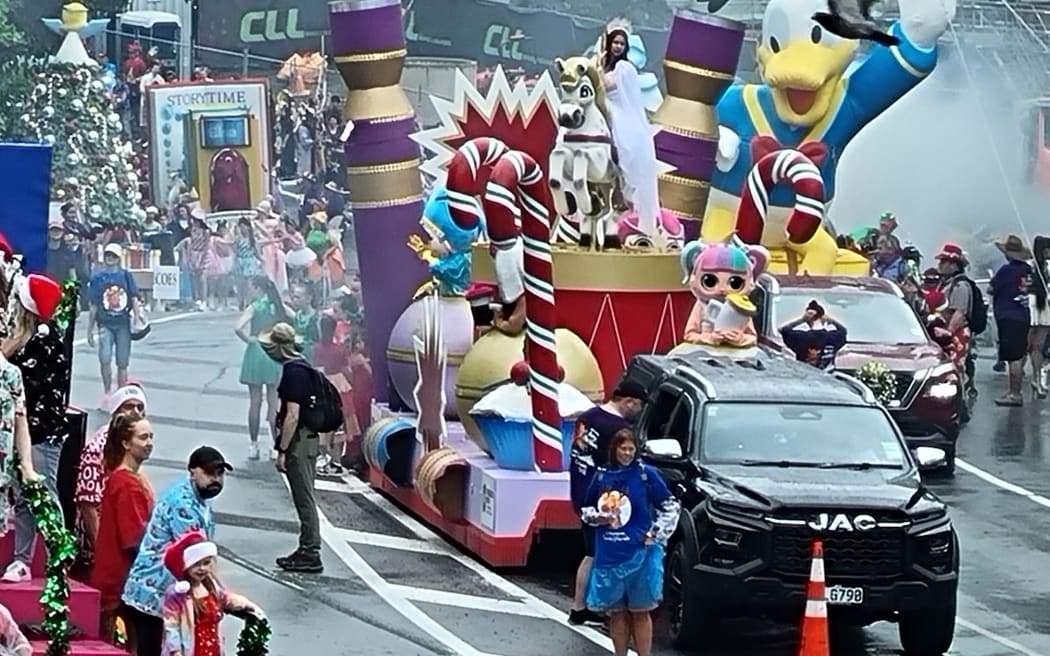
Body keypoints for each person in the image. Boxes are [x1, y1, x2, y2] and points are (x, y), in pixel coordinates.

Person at [122, 447, 230, 656]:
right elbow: (196, 557)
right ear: (192, 471)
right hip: (152, 591)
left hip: (167, 591)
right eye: (209, 473)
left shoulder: (200, 498)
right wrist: (217, 594)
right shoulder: (183, 504)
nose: (216, 479)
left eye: (220, 474)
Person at [581, 429, 680, 656]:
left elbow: (670, 506)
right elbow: (586, 509)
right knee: (616, 613)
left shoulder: (647, 474)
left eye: (631, 449)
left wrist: (655, 534)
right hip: (609, 554)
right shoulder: (602, 475)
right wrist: (598, 518)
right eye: (622, 448)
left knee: (640, 611)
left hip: (641, 555)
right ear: (614, 449)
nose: (627, 453)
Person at [1, 274, 69, 584]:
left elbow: (21, 380)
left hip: (42, 431)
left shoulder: (43, 338)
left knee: (43, 493)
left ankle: (59, 554)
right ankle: (21, 560)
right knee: (22, 495)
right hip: (22, 430)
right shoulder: (25, 336)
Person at [567, 380, 645, 625]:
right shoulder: (618, 429)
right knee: (601, 553)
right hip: (604, 499)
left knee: (592, 551)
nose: (640, 411)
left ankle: (582, 606)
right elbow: (621, 466)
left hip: (580, 489)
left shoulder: (588, 416)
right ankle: (598, 607)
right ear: (629, 401)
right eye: (639, 405)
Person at [261, 322, 324, 573]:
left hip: (299, 440)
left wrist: (283, 449)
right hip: (309, 439)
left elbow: (292, 415)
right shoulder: (304, 365)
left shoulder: (293, 372)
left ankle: (310, 551)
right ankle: (307, 547)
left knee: (304, 497)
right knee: (305, 495)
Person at [91, 410, 154, 648]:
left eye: (151, 437)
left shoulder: (124, 478)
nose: (149, 443)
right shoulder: (127, 484)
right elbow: (134, 538)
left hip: (117, 578)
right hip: (121, 581)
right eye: (143, 437)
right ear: (126, 443)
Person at [73, 383, 148, 580]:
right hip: (98, 554)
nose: (135, 412)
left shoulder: (134, 446)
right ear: (115, 412)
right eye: (128, 406)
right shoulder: (97, 448)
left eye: (140, 407)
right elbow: (88, 505)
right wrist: (102, 554)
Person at [161, 530, 264, 656]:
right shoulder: (177, 593)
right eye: (196, 564)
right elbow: (171, 625)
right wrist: (176, 652)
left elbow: (225, 598)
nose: (202, 568)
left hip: (213, 648)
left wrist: (247, 605)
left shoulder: (211, 586)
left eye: (206, 563)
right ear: (186, 565)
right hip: (191, 650)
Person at [601, 23, 660, 238]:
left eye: (621, 43)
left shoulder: (624, 68)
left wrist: (596, 65)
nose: (617, 46)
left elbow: (605, 86)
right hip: (603, 108)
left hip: (620, 115)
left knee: (620, 144)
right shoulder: (606, 66)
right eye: (614, 42)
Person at [234, 276, 289, 461]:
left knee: (255, 402)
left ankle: (254, 444)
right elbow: (293, 317)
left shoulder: (254, 306)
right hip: (273, 350)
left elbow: (238, 327)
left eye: (251, 287)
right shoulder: (277, 304)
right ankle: (275, 445)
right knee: (274, 402)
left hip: (256, 351)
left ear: (258, 288)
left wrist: (248, 339)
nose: (249, 291)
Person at [87, 244, 144, 400]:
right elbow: (93, 304)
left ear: (118, 258)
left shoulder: (125, 275)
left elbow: (133, 297)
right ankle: (107, 391)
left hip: (123, 323)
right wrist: (90, 329)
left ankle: (120, 393)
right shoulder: (98, 278)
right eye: (108, 255)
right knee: (104, 358)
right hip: (105, 323)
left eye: (113, 256)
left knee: (122, 361)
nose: (110, 259)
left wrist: (137, 317)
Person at [988, 235, 1032, 406]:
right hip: (1023, 315)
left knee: (1013, 357)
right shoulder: (1028, 270)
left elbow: (992, 288)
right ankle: (1014, 391)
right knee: (1019, 354)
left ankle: (1015, 393)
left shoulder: (1006, 270)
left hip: (1008, 315)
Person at [312, 315, 358, 476]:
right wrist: (352, 383)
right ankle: (336, 460)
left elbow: (315, 366)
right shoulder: (340, 350)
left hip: (322, 383)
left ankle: (326, 457)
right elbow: (347, 370)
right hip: (339, 384)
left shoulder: (316, 348)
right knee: (340, 422)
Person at [936, 243, 976, 400]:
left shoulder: (960, 286)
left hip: (956, 333)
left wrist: (948, 333)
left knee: (956, 367)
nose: (940, 265)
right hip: (947, 332)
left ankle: (958, 400)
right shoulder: (947, 283)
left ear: (954, 265)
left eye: (943, 262)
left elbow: (959, 313)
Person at [779, 300, 848, 370]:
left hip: (803, 373)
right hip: (827, 375)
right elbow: (843, 330)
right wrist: (831, 319)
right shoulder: (834, 337)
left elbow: (782, 329)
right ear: (823, 317)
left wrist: (802, 319)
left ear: (807, 319)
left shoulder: (799, 337)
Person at [1027, 236, 1050, 399]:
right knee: (1038, 346)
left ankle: (1036, 378)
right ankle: (1037, 379)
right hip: (1042, 305)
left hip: (1032, 303)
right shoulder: (1043, 267)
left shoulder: (1029, 266)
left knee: (1029, 345)